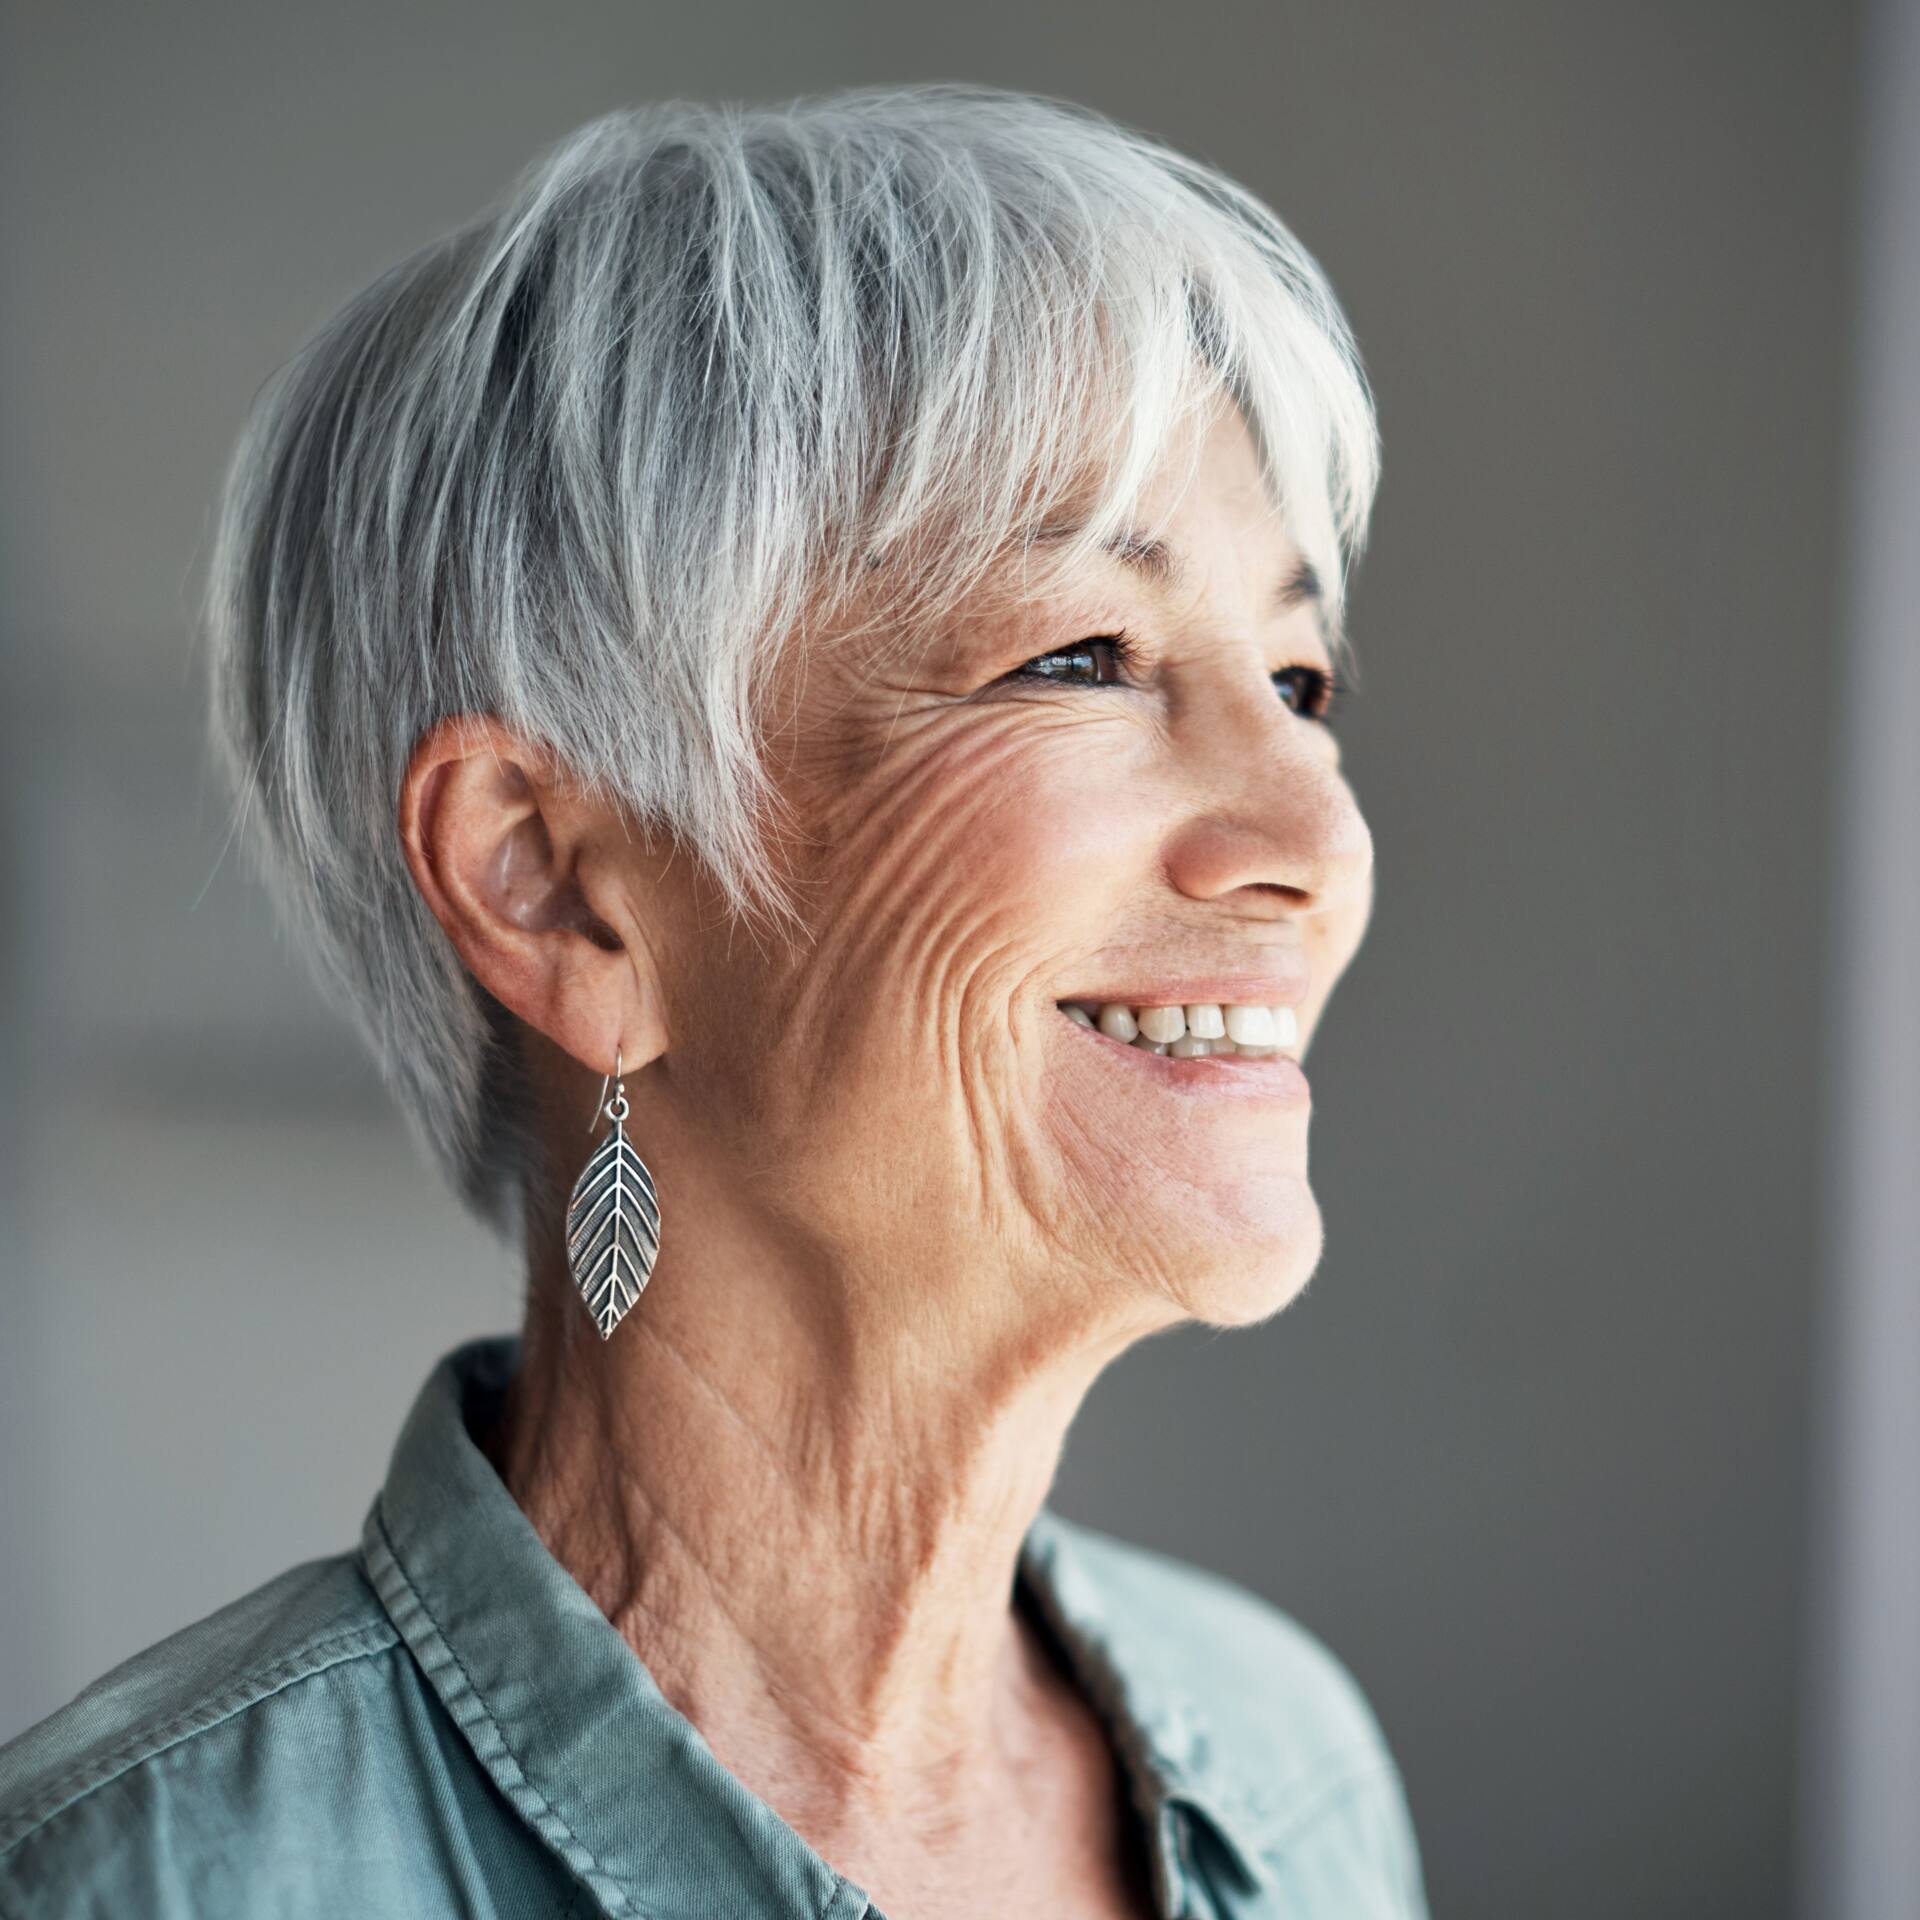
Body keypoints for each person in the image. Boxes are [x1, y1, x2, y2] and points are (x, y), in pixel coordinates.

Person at [0, 83, 1428, 1918]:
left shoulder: (1292, 1769)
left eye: (1301, 680)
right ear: (563, 887)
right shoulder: (149, 1886)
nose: (1315, 834)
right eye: (1084, 656)